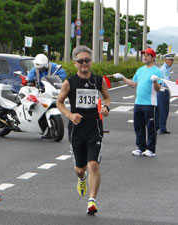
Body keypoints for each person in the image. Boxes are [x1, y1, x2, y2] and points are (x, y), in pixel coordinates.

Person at [56, 46, 110, 215]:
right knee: (80, 168)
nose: (84, 63)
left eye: (87, 60)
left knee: (93, 164)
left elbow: (106, 97)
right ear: (75, 63)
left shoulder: (98, 80)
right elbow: (59, 102)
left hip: (94, 127)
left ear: (91, 62)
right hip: (77, 129)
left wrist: (106, 107)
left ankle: (92, 200)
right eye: (81, 61)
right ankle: (81, 179)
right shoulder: (69, 82)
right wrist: (70, 115)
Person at [113, 48, 162, 157]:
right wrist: (123, 77)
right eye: (144, 55)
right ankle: (141, 147)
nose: (145, 57)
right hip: (138, 103)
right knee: (138, 126)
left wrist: (154, 81)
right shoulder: (140, 70)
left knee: (150, 127)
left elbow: (158, 88)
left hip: (150, 103)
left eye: (147, 55)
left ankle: (151, 149)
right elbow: (133, 84)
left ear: (153, 57)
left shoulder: (156, 71)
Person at [27, 53, 67, 139]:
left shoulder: (53, 67)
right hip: (39, 90)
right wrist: (29, 81)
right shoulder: (35, 69)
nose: (39, 68)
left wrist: (57, 78)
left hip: (50, 90)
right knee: (39, 108)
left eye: (41, 66)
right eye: (38, 66)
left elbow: (63, 74)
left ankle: (50, 130)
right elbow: (29, 77)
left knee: (51, 106)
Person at [155, 53, 175, 134]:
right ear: (165, 60)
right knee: (163, 110)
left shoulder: (166, 68)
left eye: (172, 60)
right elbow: (166, 82)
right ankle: (162, 128)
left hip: (162, 91)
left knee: (158, 110)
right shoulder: (163, 69)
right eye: (169, 60)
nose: (171, 62)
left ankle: (156, 127)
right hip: (162, 90)